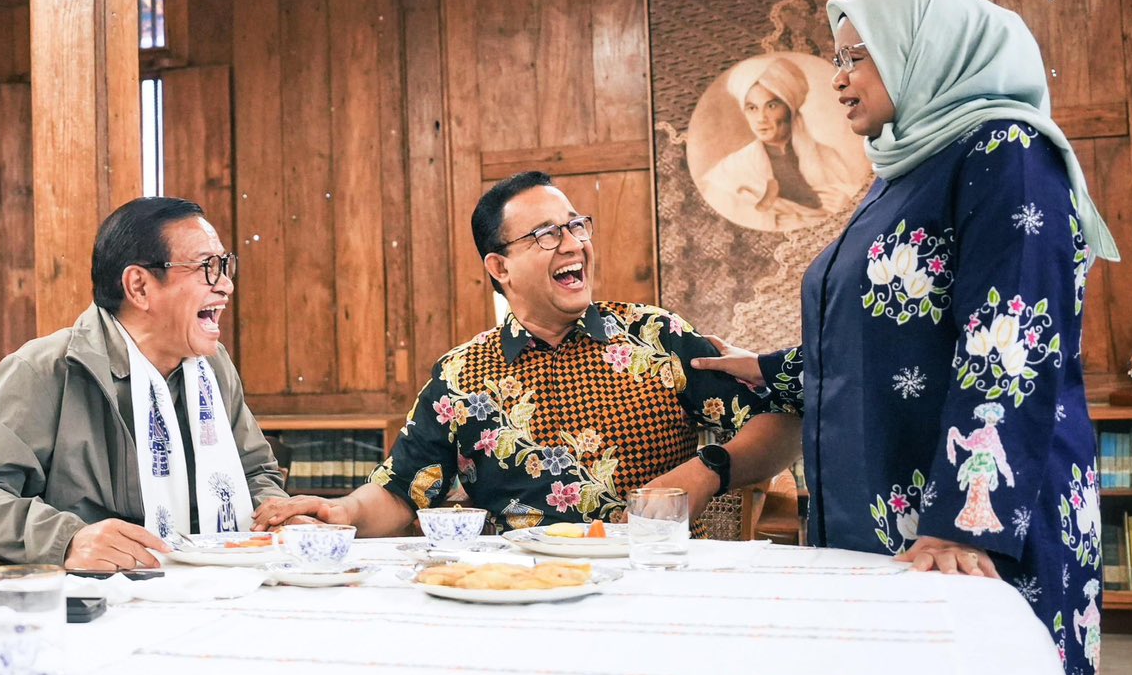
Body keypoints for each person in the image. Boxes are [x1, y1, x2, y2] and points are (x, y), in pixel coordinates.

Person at [692, 0, 1120, 675]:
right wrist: (768, 370)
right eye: (837, 58)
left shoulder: (1007, 150)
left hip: (974, 536)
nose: (840, 80)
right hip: (897, 526)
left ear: (928, 50)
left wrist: (963, 525)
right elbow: (893, 332)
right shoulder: (903, 173)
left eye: (858, 56)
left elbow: (1008, 339)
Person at [254, 172, 802, 537]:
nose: (571, 244)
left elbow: (782, 421)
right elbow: (400, 491)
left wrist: (707, 471)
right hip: (522, 596)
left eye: (575, 226)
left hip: (650, 584)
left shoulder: (655, 337)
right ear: (500, 268)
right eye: (545, 234)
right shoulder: (462, 376)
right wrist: (339, 512)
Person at [0, 196, 289, 569]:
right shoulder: (45, 371)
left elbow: (254, 473)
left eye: (224, 266)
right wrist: (68, 539)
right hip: (95, 602)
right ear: (139, 287)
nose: (226, 286)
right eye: (206, 268)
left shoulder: (213, 368)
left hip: (219, 584)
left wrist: (281, 515)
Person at [698, 53, 869, 230]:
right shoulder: (731, 170)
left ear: (789, 109)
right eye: (752, 108)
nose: (761, 118)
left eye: (771, 106)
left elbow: (858, 203)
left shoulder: (828, 158)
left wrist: (845, 203)